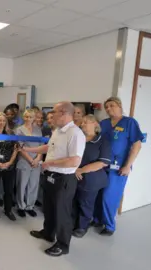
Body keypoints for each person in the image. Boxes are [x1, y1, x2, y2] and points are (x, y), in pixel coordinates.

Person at [26, 101, 86, 257]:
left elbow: (74, 161)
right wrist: (28, 149)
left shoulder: (75, 134)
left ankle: (62, 244)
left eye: (54, 111)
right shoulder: (58, 131)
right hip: (50, 175)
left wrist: (48, 163)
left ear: (64, 113)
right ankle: (48, 232)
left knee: (62, 212)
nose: (50, 115)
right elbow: (48, 147)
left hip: (64, 179)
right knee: (49, 208)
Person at [96, 97, 143, 236]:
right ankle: (98, 219)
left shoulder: (130, 123)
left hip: (119, 167)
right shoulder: (104, 123)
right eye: (107, 107)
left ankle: (109, 225)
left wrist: (128, 165)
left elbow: (137, 145)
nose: (109, 109)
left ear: (119, 106)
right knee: (98, 193)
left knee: (109, 195)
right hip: (101, 164)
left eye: (112, 105)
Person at [72, 115, 111, 238]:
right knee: (73, 201)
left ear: (95, 124)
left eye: (85, 122)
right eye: (82, 123)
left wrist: (81, 170)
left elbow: (102, 163)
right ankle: (73, 222)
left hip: (92, 178)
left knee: (86, 203)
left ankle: (82, 226)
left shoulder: (102, 141)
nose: (82, 124)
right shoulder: (79, 139)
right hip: (75, 175)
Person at [15, 109, 43, 218]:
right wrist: (30, 160)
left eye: (30, 117)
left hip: (36, 160)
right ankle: (21, 206)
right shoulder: (19, 130)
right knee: (22, 184)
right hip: (24, 160)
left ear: (34, 118)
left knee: (33, 184)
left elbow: (41, 146)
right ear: (23, 117)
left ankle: (29, 206)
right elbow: (20, 147)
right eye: (26, 117)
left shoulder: (38, 130)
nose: (28, 119)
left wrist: (37, 159)